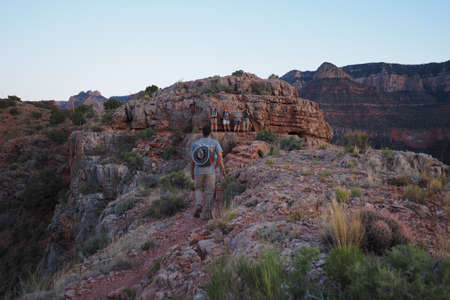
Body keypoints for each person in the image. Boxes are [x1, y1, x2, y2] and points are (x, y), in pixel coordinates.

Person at [190, 125, 226, 220]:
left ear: (202, 133)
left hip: (198, 170)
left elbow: (192, 160)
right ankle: (208, 214)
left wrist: (192, 172)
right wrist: (219, 167)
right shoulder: (214, 143)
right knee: (209, 191)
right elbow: (219, 156)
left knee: (198, 188)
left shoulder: (196, 144)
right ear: (210, 133)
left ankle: (199, 205)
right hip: (210, 170)